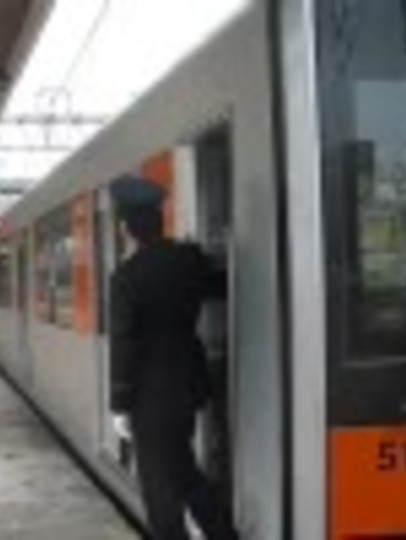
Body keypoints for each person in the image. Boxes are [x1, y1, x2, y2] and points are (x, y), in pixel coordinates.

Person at [109, 175, 237, 540]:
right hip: (188, 386)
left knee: (159, 488)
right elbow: (220, 286)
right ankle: (223, 533)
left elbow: (125, 344)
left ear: (126, 227)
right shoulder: (188, 260)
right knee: (182, 469)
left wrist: (120, 403)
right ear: (160, 220)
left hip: (149, 397)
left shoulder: (126, 277)